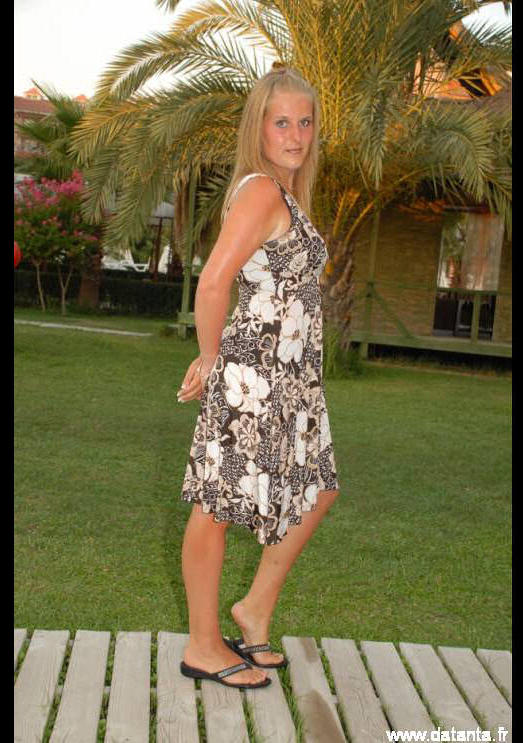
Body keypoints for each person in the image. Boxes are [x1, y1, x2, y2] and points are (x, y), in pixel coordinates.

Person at [177, 64, 340, 690]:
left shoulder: (285, 194)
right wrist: (212, 359)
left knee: (318, 488)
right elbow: (214, 282)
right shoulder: (262, 192)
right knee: (216, 506)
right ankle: (203, 646)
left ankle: (254, 609)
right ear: (259, 128)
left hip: (292, 380)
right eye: (282, 123)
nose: (295, 135)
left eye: (305, 122)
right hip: (255, 376)